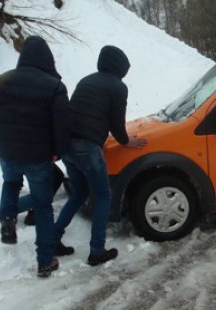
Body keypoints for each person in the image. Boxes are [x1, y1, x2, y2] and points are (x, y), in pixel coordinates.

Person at [0, 36, 71, 278]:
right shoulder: (54, 87)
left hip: (7, 153)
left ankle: (8, 221)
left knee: (11, 183)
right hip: (38, 157)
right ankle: (45, 261)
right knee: (43, 206)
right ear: (47, 59)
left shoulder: (1, 81)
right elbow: (62, 127)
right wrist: (57, 152)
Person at [55, 45, 147, 266]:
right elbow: (116, 123)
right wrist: (126, 141)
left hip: (67, 145)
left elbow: (80, 113)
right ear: (120, 68)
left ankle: (53, 239)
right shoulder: (118, 87)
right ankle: (96, 250)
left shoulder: (86, 81)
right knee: (103, 195)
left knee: (78, 194)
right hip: (87, 147)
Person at [0, 163, 65, 226]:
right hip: (34, 152)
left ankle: (7, 212)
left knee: (12, 184)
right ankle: (6, 212)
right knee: (45, 188)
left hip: (8, 151)